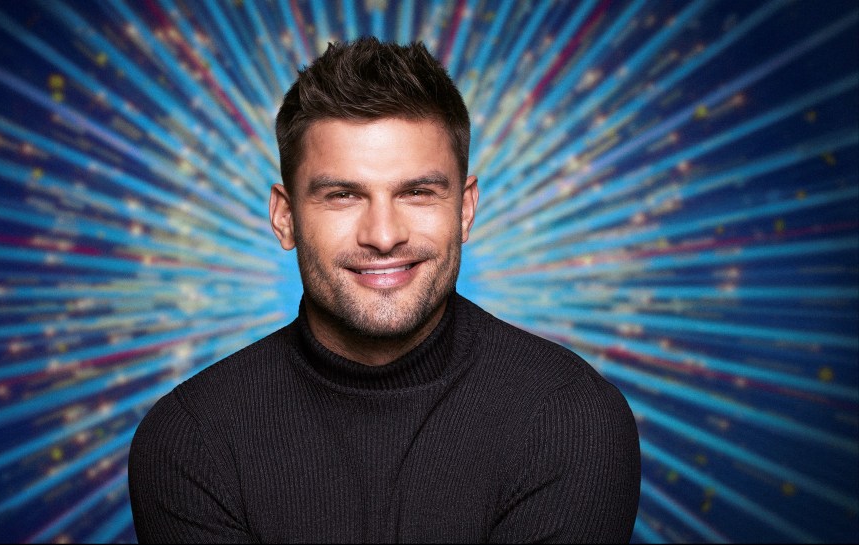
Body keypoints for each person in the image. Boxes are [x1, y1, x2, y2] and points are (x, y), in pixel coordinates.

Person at [128, 37, 641, 543]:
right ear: (285, 218)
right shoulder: (191, 440)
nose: (383, 234)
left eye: (417, 193)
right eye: (343, 195)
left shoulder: (569, 419)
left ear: (464, 209)